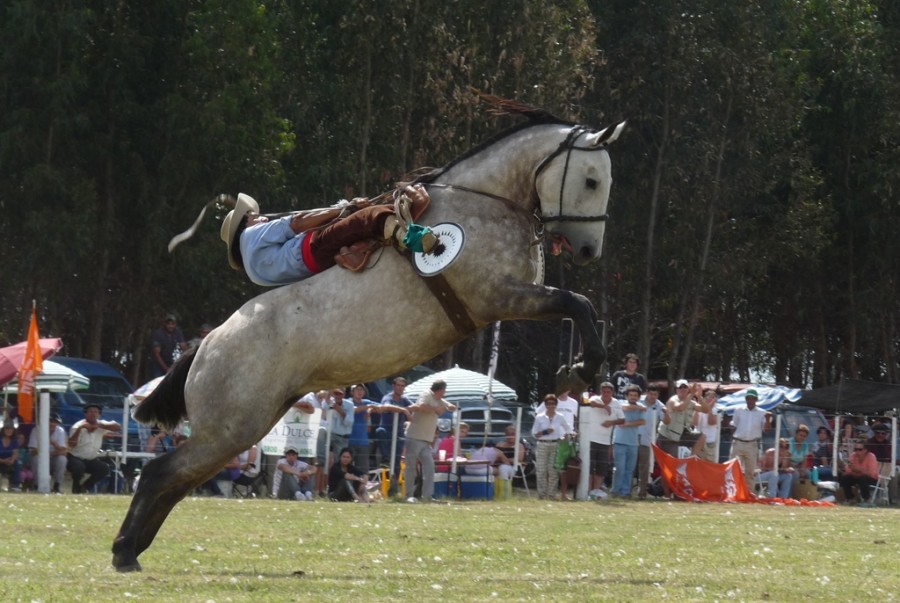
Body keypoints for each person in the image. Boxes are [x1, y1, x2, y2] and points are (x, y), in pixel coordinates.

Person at [220, 185, 435, 287]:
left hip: (316, 267)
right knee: (366, 217)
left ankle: (403, 219)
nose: (260, 218)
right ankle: (414, 237)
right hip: (312, 247)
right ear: (244, 225)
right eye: (252, 216)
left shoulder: (253, 271)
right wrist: (344, 208)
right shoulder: (250, 235)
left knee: (361, 226)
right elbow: (296, 223)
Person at [404, 379, 456, 503]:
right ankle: (408, 496)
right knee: (411, 467)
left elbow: (450, 406)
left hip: (426, 440)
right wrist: (436, 410)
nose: (445, 393)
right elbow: (421, 406)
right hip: (414, 436)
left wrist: (450, 406)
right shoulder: (426, 394)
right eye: (444, 390)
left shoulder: (440, 400)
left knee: (430, 468)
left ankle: (427, 497)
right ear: (440, 389)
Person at [67, 403, 121, 493]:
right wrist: (80, 429)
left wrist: (99, 426)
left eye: (96, 412)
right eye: (90, 411)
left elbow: (117, 427)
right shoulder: (77, 426)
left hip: (91, 459)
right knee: (79, 467)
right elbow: (72, 444)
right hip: (75, 458)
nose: (93, 414)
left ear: (99, 414)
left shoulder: (101, 424)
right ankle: (75, 489)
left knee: (104, 468)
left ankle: (85, 488)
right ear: (85, 414)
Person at [535, 390, 579, 499]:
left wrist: (572, 434)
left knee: (562, 468)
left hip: (565, 440)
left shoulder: (574, 403)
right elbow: (538, 415)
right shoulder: (551, 401)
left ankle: (563, 494)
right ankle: (544, 494)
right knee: (546, 469)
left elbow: (576, 420)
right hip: (551, 439)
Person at [583, 382, 623, 497]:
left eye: (608, 392)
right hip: (591, 439)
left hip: (605, 441)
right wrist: (604, 406)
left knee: (601, 468)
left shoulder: (616, 403)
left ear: (612, 393)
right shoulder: (595, 399)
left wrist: (612, 422)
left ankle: (595, 491)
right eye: (604, 391)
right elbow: (589, 402)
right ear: (600, 392)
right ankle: (588, 491)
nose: (606, 394)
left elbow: (622, 420)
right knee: (589, 467)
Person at [729, 388, 772, 488]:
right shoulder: (738, 410)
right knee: (734, 469)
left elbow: (766, 430)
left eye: (753, 398)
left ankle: (749, 495)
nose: (750, 400)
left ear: (756, 400)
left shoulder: (762, 413)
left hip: (752, 444)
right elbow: (733, 425)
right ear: (746, 399)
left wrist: (768, 419)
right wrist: (734, 436)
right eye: (748, 398)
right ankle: (733, 492)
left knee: (750, 472)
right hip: (738, 442)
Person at [611, 385, 646, 498]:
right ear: (627, 396)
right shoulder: (621, 403)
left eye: (635, 395)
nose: (633, 397)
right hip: (619, 441)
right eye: (631, 395)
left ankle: (625, 492)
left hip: (633, 443)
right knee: (619, 468)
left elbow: (642, 421)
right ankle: (615, 490)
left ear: (638, 397)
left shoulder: (641, 406)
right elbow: (624, 408)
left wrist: (627, 424)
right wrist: (638, 408)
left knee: (629, 470)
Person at [375, 377, 413, 481]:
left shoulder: (404, 399)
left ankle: (396, 485)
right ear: (393, 386)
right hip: (387, 431)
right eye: (398, 385)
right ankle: (385, 458)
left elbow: (414, 406)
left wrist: (412, 411)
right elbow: (386, 406)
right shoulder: (388, 397)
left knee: (397, 461)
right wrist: (404, 411)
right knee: (380, 431)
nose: (400, 388)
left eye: (402, 386)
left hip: (399, 433)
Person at [28, 413, 68, 494]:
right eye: (50, 421)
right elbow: (33, 451)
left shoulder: (60, 431)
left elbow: (63, 451)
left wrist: (53, 444)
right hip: (39, 456)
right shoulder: (36, 430)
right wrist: (44, 446)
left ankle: (57, 486)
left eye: (55, 422)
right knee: (36, 459)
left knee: (62, 460)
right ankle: (37, 485)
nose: (52, 424)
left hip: (53, 456)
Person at [637, 385, 664, 499]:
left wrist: (667, 413)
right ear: (647, 392)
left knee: (645, 468)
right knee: (628, 466)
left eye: (655, 394)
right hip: (632, 437)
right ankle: (624, 492)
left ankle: (642, 493)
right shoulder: (638, 401)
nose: (653, 397)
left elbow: (666, 421)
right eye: (651, 394)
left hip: (647, 440)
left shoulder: (660, 405)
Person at [347, 384, 377, 477]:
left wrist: (370, 409)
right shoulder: (348, 402)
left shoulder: (366, 402)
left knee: (363, 471)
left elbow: (380, 407)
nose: (360, 391)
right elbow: (354, 409)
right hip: (349, 441)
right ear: (352, 392)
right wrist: (369, 407)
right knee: (347, 468)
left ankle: (362, 490)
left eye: (362, 390)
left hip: (363, 442)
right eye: (357, 389)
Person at [148, 314, 188, 379]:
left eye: (172, 324)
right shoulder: (158, 334)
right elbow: (157, 354)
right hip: (158, 363)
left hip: (171, 361)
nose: (170, 326)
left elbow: (184, 347)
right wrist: (166, 369)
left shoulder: (177, 332)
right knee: (158, 381)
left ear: (175, 325)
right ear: (165, 324)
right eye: (168, 324)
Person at [839, 441, 879, 506]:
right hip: (856, 476)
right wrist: (854, 471)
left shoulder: (871, 456)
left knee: (862, 478)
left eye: (860, 450)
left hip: (870, 479)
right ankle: (850, 499)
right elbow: (848, 470)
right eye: (856, 449)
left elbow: (872, 473)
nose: (857, 451)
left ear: (865, 450)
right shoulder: (853, 456)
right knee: (845, 478)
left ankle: (866, 499)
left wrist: (859, 470)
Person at [692, 389, 719, 462]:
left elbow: (711, 422)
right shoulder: (699, 408)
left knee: (709, 465)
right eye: (708, 397)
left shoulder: (716, 410)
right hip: (698, 440)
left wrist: (709, 409)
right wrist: (697, 408)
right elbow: (694, 423)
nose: (709, 399)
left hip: (710, 442)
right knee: (696, 464)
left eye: (712, 397)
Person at [327, 388, 354, 460]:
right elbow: (323, 412)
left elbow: (349, 423)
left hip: (342, 438)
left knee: (339, 461)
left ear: (344, 394)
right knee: (325, 459)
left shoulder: (349, 405)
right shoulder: (329, 402)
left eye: (340, 394)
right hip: (329, 436)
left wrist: (341, 411)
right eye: (336, 394)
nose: (338, 396)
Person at [786, 424, 811, 492]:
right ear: (796, 434)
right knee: (796, 474)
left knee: (809, 474)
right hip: (787, 465)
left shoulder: (805, 445)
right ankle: (790, 494)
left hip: (799, 466)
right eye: (800, 435)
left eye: (804, 436)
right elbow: (787, 459)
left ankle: (806, 494)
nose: (802, 437)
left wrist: (802, 471)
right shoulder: (790, 442)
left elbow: (805, 460)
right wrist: (796, 469)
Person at [0, 422, 21, 491]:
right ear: (3, 430)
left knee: (17, 463)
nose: (9, 430)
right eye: (7, 428)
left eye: (11, 429)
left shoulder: (15, 441)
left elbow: (16, 453)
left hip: (9, 461)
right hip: (1, 461)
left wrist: (12, 460)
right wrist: (3, 461)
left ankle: (15, 486)